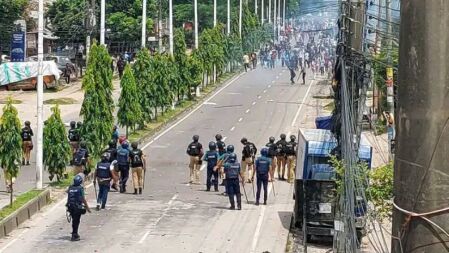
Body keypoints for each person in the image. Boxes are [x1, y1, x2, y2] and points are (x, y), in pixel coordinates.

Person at [66, 175, 91, 241]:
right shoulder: (80, 188)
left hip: (70, 206)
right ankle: (74, 234)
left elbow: (67, 192)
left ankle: (74, 233)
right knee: (76, 221)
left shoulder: (70, 187)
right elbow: (83, 199)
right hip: (77, 207)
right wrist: (87, 207)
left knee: (74, 220)